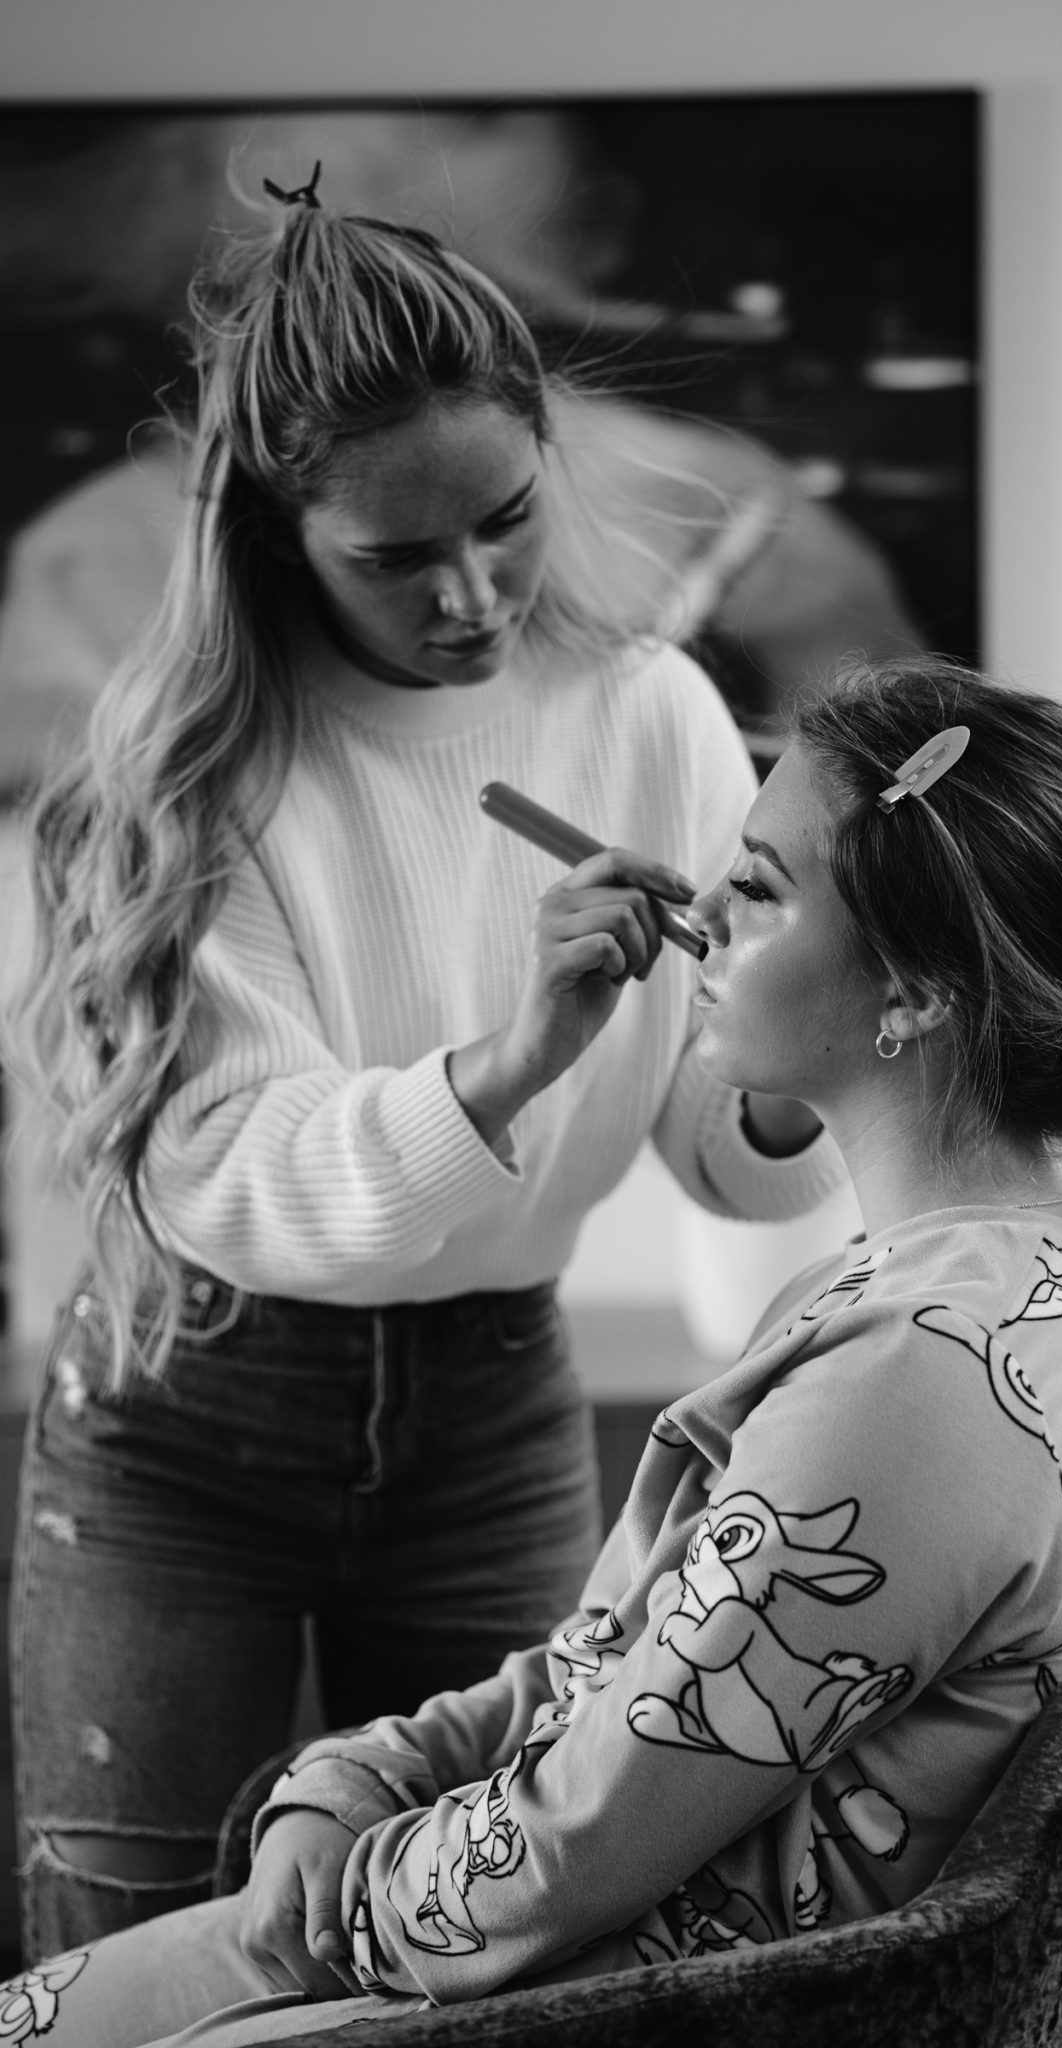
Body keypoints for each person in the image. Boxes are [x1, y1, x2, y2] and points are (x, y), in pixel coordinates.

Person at [3, 655, 1062, 2047]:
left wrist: (324, 1899)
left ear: (918, 993)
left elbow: (554, 1858)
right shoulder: (989, 1283)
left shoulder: (918, 1381)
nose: (697, 912)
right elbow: (622, 1671)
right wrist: (355, 1779)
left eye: (758, 884)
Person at [2, 190, 845, 1962]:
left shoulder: (650, 714)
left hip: (492, 1410)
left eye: (505, 523)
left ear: (550, 457)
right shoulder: (180, 778)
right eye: (393, 558)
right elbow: (235, 1170)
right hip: (187, 1420)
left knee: (494, 1957)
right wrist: (518, 1054)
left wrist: (786, 1066)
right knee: (138, 1960)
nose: (469, 598)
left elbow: (715, 1133)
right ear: (272, 536)